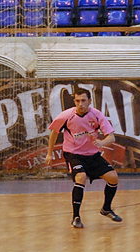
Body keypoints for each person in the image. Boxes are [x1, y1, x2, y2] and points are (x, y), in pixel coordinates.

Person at [44, 87, 122, 229]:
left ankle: (106, 209)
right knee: (81, 177)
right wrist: (49, 153)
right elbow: (54, 132)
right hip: (73, 154)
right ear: (74, 101)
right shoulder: (66, 115)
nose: (80, 104)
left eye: (83, 100)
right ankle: (76, 217)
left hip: (92, 154)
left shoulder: (97, 115)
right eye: (77, 101)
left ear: (90, 101)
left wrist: (102, 143)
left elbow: (111, 137)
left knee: (113, 177)